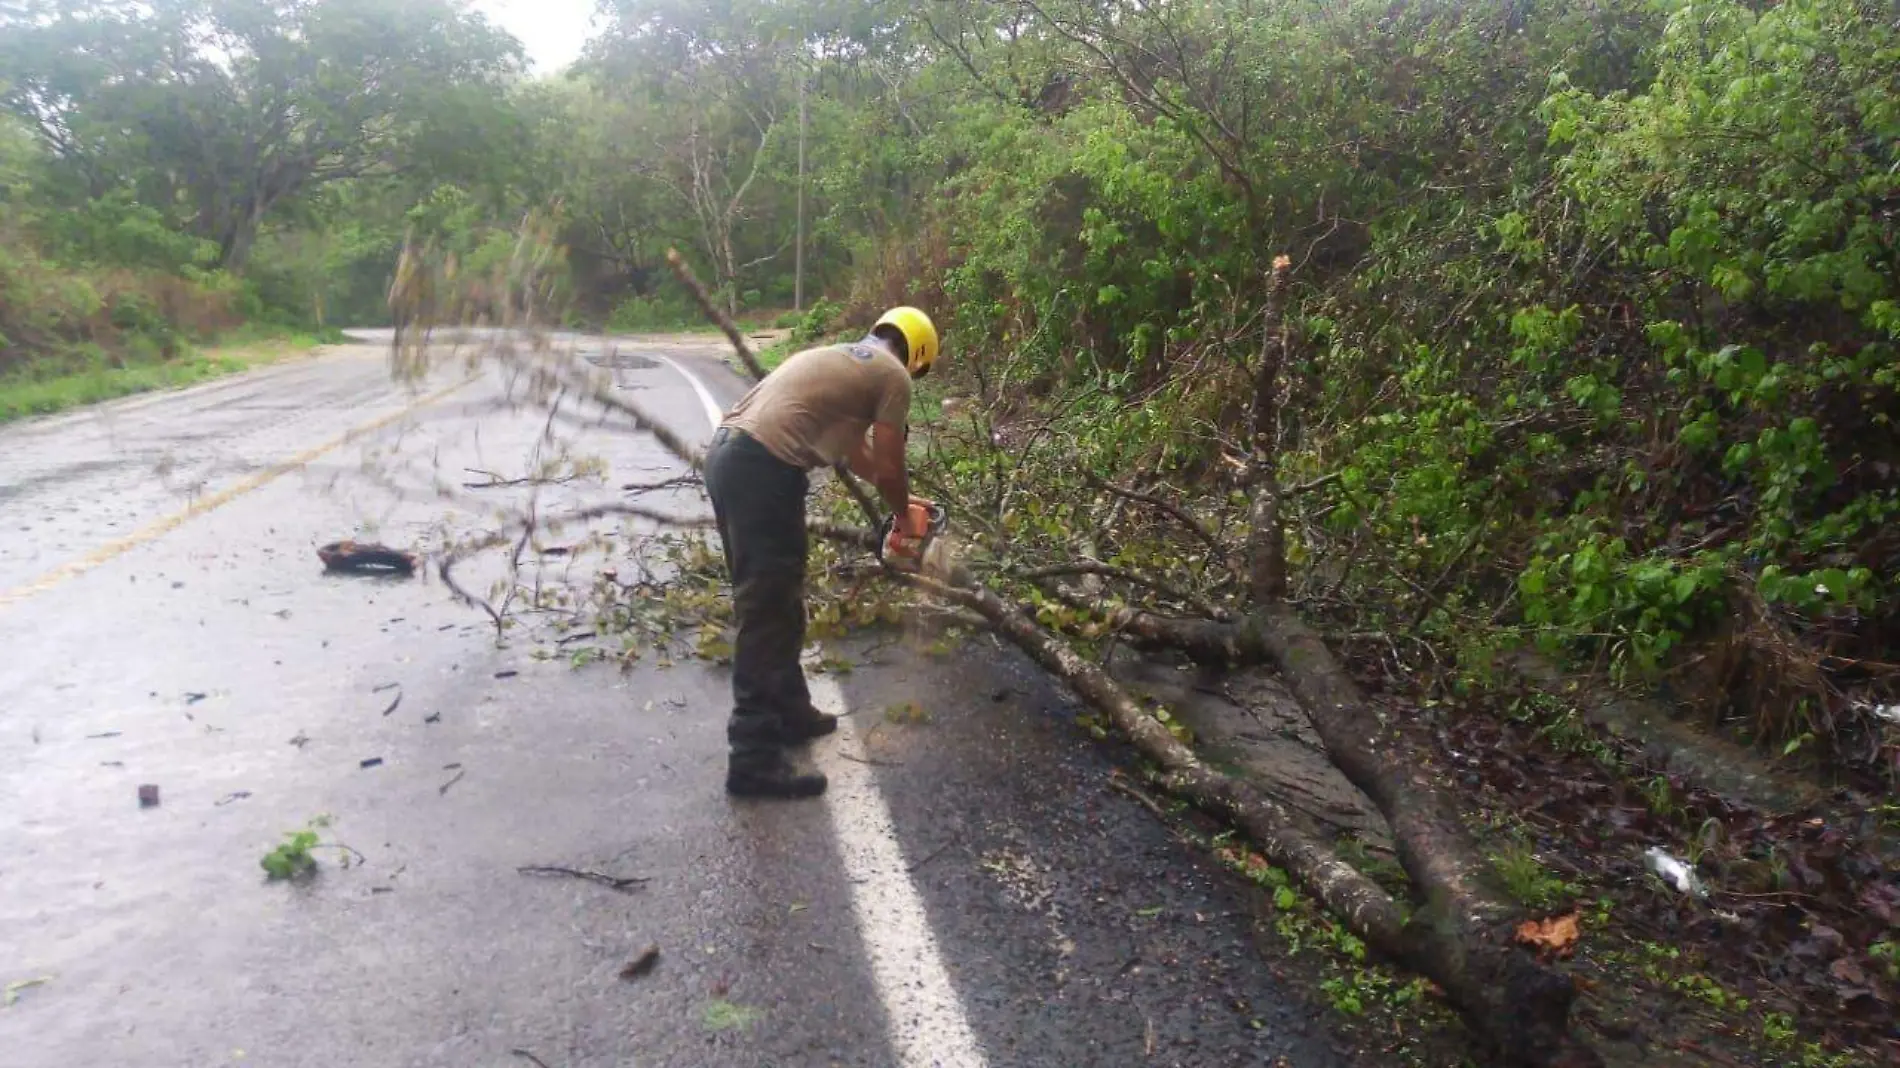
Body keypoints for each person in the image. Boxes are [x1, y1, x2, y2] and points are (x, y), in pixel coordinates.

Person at [702, 306, 940, 799]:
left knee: (782, 593)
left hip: (733, 455)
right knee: (765, 610)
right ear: (917, 355)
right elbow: (892, 469)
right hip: (763, 467)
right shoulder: (893, 376)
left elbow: (863, 460)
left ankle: (789, 708)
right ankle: (752, 758)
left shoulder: (844, 359)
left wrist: (904, 501)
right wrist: (902, 516)